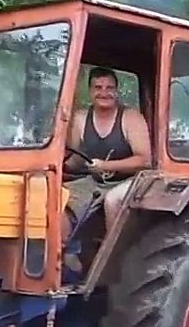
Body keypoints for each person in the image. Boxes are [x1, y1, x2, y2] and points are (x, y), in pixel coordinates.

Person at [64, 67, 153, 235]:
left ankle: (116, 258)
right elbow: (75, 159)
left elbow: (144, 160)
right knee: (59, 197)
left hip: (130, 180)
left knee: (113, 201)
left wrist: (106, 165)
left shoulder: (130, 117)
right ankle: (67, 252)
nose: (104, 93)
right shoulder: (80, 118)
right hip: (94, 180)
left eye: (109, 88)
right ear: (90, 92)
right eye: (98, 88)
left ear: (116, 91)